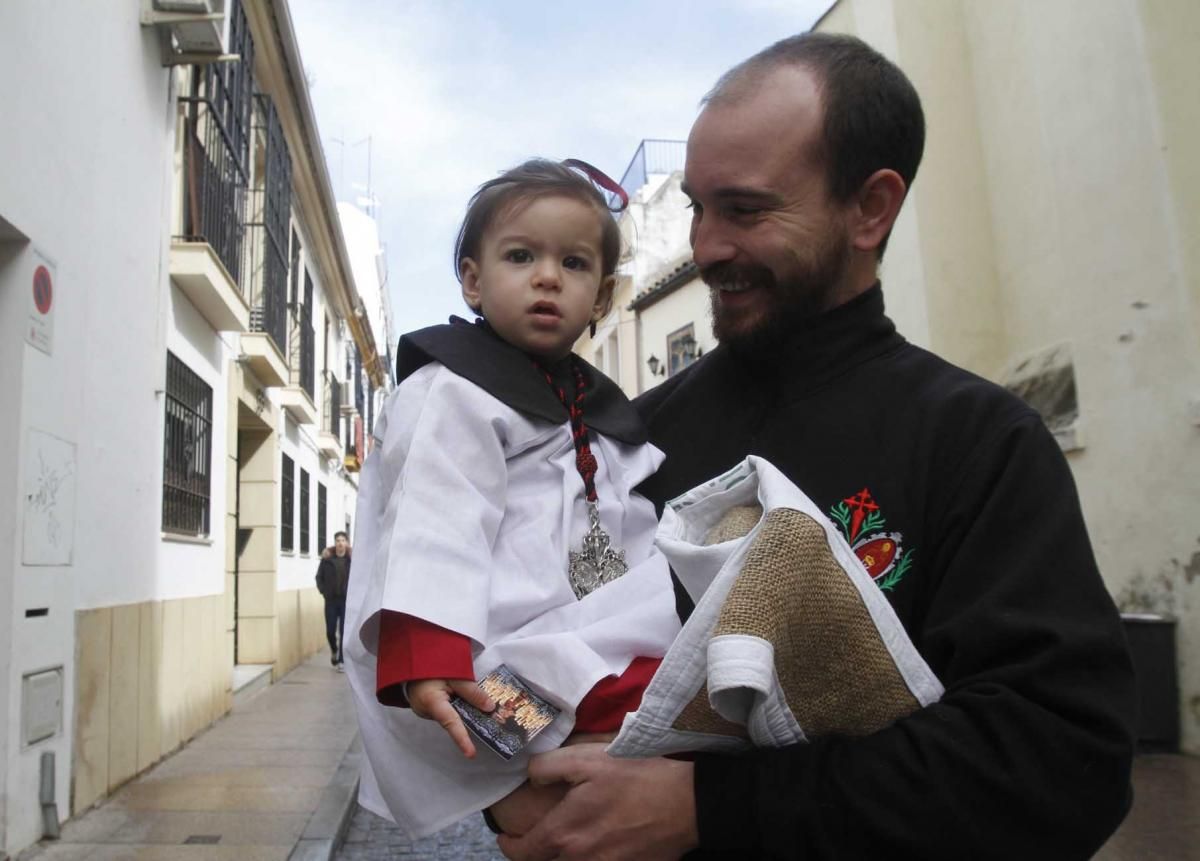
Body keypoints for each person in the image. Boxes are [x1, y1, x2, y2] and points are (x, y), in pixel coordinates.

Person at [496, 33, 1137, 861]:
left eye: (747, 209)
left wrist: (713, 809)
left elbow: (1063, 760)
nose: (707, 245)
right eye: (698, 206)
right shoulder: (624, 438)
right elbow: (514, 649)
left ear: (871, 206)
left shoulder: (979, 441)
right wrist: (506, 768)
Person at [342, 159, 680, 838]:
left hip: (590, 633)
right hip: (491, 664)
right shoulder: (455, 392)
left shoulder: (593, 404)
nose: (548, 276)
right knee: (523, 720)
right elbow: (432, 516)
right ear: (472, 278)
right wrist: (428, 651)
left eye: (575, 262)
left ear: (604, 296)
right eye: (521, 255)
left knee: (629, 717)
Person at [315, 531, 351, 667]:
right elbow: (319, 577)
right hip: (330, 601)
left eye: (343, 540)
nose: (340, 543)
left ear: (346, 543)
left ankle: (341, 660)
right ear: (335, 543)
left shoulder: (351, 560)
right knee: (330, 631)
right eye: (338, 540)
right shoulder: (327, 559)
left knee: (343, 631)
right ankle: (334, 650)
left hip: (345, 601)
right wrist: (324, 591)